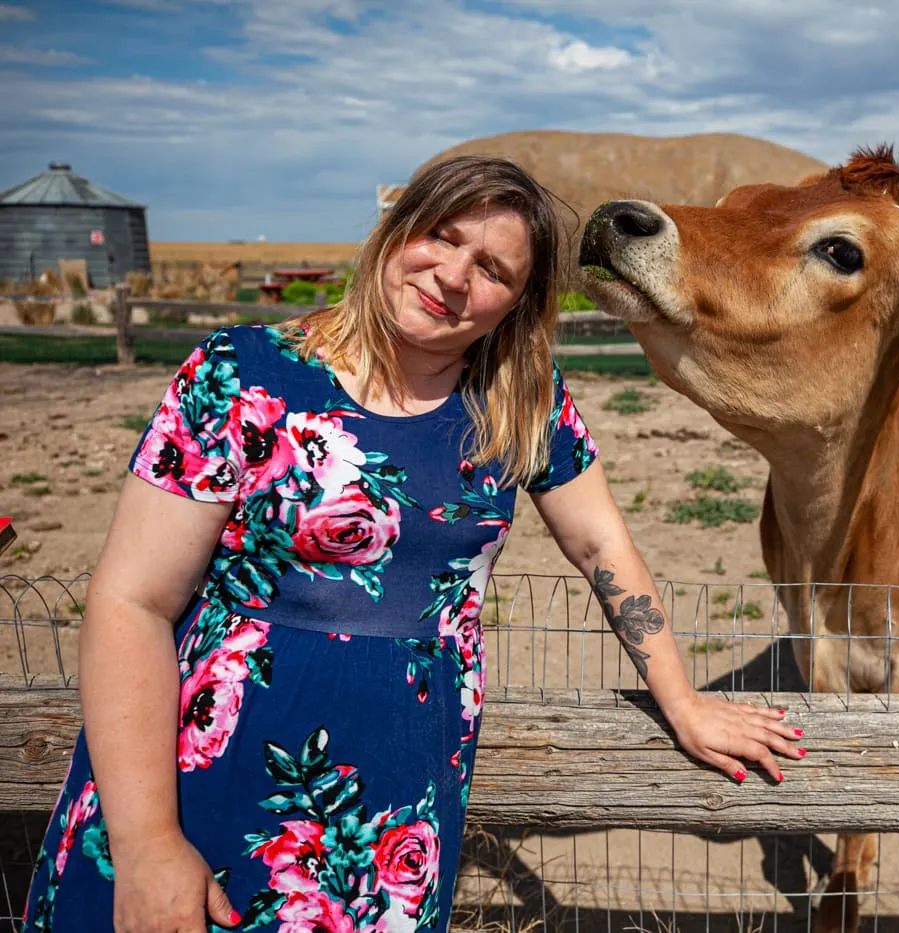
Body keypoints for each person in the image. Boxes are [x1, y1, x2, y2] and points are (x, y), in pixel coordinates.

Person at [24, 155, 805, 933]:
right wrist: (148, 840)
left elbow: (604, 544)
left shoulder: (522, 405)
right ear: (397, 232)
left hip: (392, 799)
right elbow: (131, 601)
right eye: (441, 235)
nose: (454, 274)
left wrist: (683, 700)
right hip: (199, 774)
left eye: (493, 267)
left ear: (517, 305)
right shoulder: (240, 373)